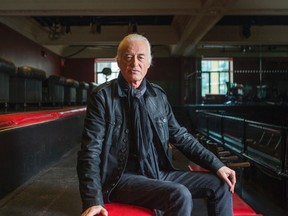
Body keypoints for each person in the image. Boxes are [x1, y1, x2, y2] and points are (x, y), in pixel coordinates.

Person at [77, 33, 236, 216]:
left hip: (157, 172)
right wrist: (93, 200)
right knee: (180, 194)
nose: (134, 62)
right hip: (121, 178)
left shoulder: (158, 96)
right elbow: (90, 151)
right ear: (119, 62)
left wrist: (217, 165)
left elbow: (181, 137)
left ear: (149, 63)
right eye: (128, 57)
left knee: (220, 184)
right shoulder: (102, 97)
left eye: (140, 57)